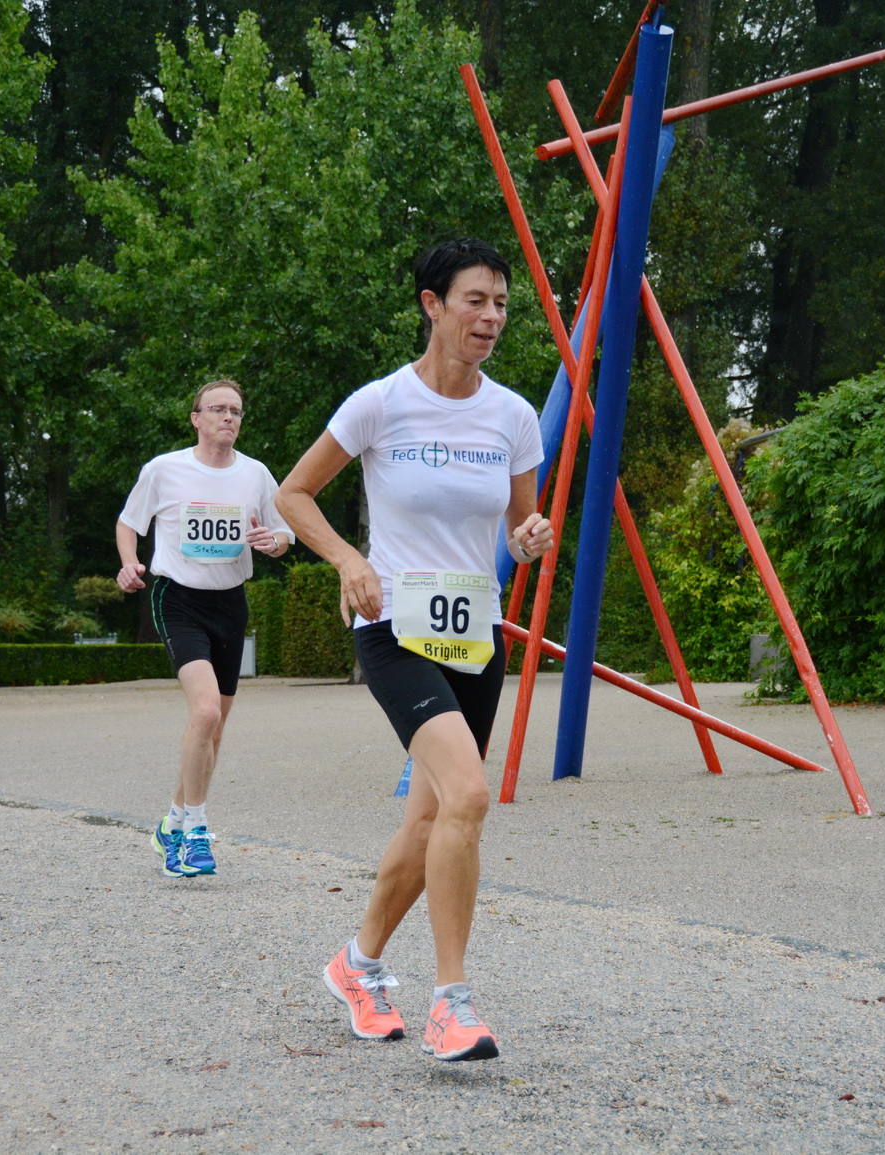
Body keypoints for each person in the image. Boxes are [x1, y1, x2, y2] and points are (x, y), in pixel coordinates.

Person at [276, 238, 552, 1062]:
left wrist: (530, 536)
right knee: (468, 795)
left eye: (501, 304)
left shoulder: (513, 415)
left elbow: (519, 524)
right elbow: (293, 494)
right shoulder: (380, 404)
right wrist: (348, 559)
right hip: (392, 628)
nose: (492, 318)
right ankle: (452, 1001)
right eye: (476, 300)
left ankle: (356, 965)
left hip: (474, 634)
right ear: (432, 304)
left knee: (432, 814)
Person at [116, 379, 293, 877]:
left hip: (230, 603)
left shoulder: (256, 474)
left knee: (212, 731)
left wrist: (272, 542)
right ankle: (193, 832)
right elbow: (129, 521)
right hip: (179, 600)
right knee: (207, 710)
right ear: (196, 418)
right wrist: (129, 563)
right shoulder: (166, 469)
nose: (228, 417)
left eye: (235, 410)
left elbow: (285, 531)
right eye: (217, 409)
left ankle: (170, 823)